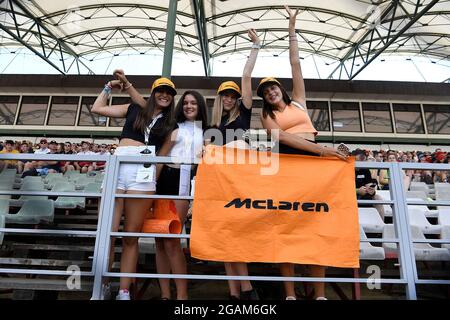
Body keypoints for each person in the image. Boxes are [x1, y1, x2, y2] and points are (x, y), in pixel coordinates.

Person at [259, 6, 347, 301]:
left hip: (317, 166)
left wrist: (292, 30)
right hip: (293, 163)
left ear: (281, 89)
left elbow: (295, 63)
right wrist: (325, 151)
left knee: (316, 227)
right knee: (289, 228)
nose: (270, 91)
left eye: (272, 87)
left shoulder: (298, 101)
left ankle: (319, 295)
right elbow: (284, 139)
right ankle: (290, 295)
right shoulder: (266, 117)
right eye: (265, 91)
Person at [91, 77, 177, 300]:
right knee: (107, 234)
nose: (165, 95)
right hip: (119, 163)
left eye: (169, 92)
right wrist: (108, 87)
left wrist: (153, 182)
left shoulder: (171, 124)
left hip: (144, 172)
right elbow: (97, 108)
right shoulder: (134, 108)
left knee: (131, 236)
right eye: (161, 91)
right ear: (153, 92)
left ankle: (124, 290)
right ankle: (102, 285)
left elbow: (163, 156)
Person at [155, 90, 207, 300]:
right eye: (185, 103)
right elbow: (162, 156)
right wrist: (152, 186)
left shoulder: (208, 130)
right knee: (159, 240)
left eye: (193, 103)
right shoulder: (174, 127)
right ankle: (165, 294)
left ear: (200, 105)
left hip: (185, 180)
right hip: (165, 178)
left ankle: (182, 296)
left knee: (172, 241)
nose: (188, 106)